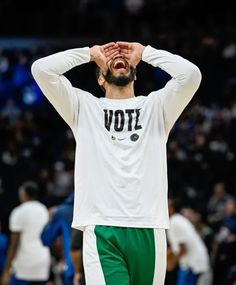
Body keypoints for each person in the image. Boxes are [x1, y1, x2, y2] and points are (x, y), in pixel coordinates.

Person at [31, 41, 201, 285]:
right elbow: (42, 69)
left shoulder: (156, 106)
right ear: (101, 78)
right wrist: (90, 54)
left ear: (135, 72)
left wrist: (146, 53)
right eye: (110, 60)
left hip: (149, 227)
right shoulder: (83, 107)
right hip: (102, 229)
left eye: (124, 59)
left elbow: (190, 75)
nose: (118, 58)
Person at [1, 181, 51, 285]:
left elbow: (14, 243)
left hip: (24, 263)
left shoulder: (19, 212)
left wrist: (6, 270)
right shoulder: (44, 210)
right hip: (42, 260)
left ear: (23, 194)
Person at [167, 198, 211, 285]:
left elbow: (183, 248)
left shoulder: (174, 221)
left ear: (171, 208)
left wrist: (171, 263)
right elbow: (178, 247)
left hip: (192, 264)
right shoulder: (178, 219)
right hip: (193, 261)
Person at [41, 192, 74, 285]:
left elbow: (46, 239)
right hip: (96, 264)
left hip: (72, 267)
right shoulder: (97, 209)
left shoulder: (62, 211)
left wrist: (51, 218)